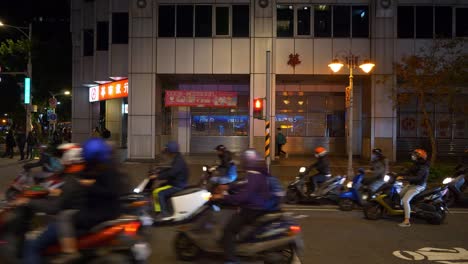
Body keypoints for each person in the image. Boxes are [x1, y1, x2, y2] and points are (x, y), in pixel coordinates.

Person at [211, 149, 272, 264]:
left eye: (243, 160)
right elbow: (243, 183)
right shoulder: (256, 173)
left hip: (253, 209)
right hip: (258, 206)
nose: (241, 163)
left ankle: (232, 260)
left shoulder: (254, 175)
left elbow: (244, 196)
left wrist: (223, 198)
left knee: (229, 231)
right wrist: (227, 187)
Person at [150, 141, 188, 218]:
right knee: (158, 188)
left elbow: (171, 173)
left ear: (171, 151)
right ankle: (159, 210)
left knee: (159, 193)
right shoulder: (177, 157)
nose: (166, 152)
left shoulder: (178, 161)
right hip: (175, 182)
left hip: (177, 185)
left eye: (167, 150)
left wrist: (157, 176)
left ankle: (164, 213)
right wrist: (159, 171)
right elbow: (170, 169)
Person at [396, 149, 429, 227]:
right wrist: (396, 174)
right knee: (399, 195)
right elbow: (408, 171)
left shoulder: (424, 167)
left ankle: (407, 221)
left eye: (415, 155)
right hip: (412, 185)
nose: (413, 156)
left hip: (418, 186)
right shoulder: (416, 164)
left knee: (405, 200)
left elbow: (418, 178)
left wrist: (404, 178)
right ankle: (403, 211)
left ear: (420, 157)